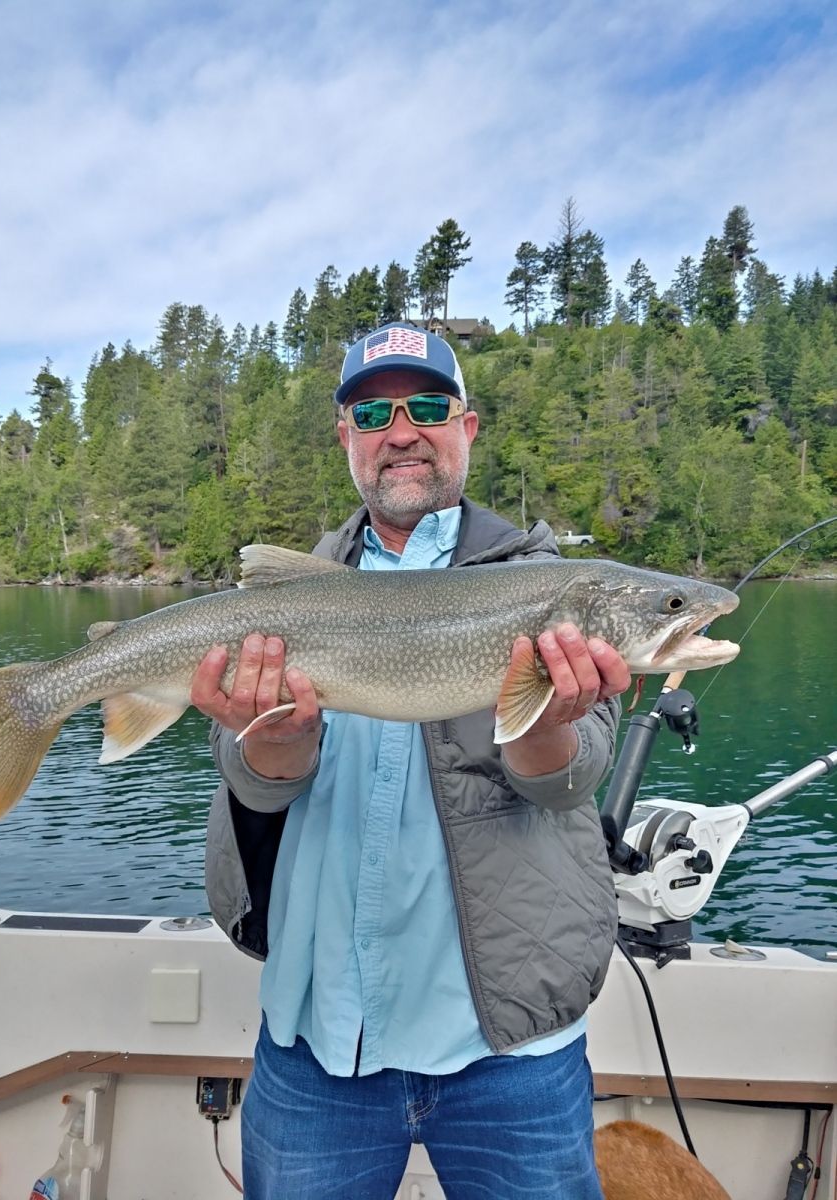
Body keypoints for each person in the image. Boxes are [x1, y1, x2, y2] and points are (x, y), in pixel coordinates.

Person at [192, 322, 631, 1199]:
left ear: (467, 427)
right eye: (373, 411)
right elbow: (247, 781)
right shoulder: (290, 590)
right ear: (346, 436)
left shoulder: (548, 581)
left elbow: (575, 775)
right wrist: (269, 745)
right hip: (316, 1043)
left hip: (509, 1053)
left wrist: (546, 715)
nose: (402, 430)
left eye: (428, 405)